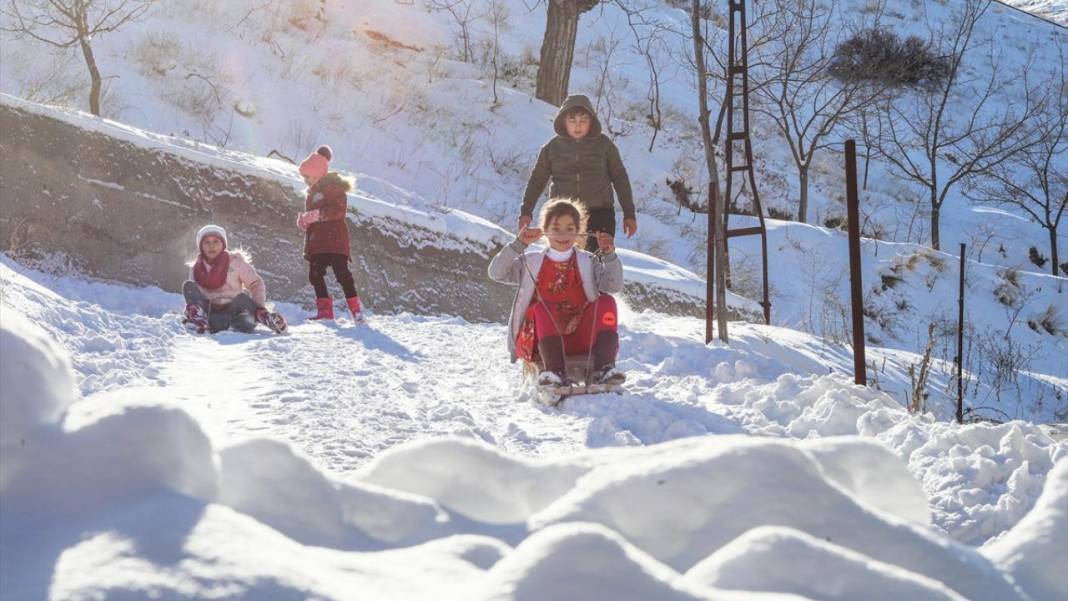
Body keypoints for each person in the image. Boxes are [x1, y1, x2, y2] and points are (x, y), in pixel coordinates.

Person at [488, 198, 625, 400]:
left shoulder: (588, 261)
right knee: (544, 306)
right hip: (541, 341)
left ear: (579, 231)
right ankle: (554, 372)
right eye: (556, 228)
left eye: (569, 228)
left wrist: (609, 255)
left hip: (579, 336)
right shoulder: (531, 261)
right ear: (544, 230)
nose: (563, 234)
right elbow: (496, 273)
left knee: (607, 302)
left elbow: (612, 286)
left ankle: (604, 369)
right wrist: (519, 245)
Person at [519, 94, 637, 253]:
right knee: (563, 263)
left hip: (600, 213)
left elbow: (620, 178)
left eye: (583, 120)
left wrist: (629, 214)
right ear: (563, 122)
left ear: (591, 122)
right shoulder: (552, 147)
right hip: (562, 216)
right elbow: (537, 180)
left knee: (598, 263)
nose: (577, 126)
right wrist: (526, 211)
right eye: (572, 120)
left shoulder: (604, 145)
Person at [295, 145, 365, 324]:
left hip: (335, 242)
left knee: (342, 274)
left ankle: (356, 311)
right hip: (318, 243)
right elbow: (315, 217)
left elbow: (338, 210)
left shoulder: (333, 188)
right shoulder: (312, 193)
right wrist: (305, 221)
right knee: (315, 275)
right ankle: (325, 311)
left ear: (318, 173)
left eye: (307, 177)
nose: (305, 180)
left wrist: (318, 215)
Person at [182, 224, 287, 334]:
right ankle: (199, 320)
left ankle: (263, 316)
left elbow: (256, 283)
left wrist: (258, 306)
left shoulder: (236, 262)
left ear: (223, 244)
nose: (211, 246)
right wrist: (194, 307)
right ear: (201, 246)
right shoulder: (196, 268)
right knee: (188, 286)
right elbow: (195, 296)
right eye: (206, 242)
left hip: (235, 311)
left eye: (215, 241)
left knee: (242, 299)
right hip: (210, 313)